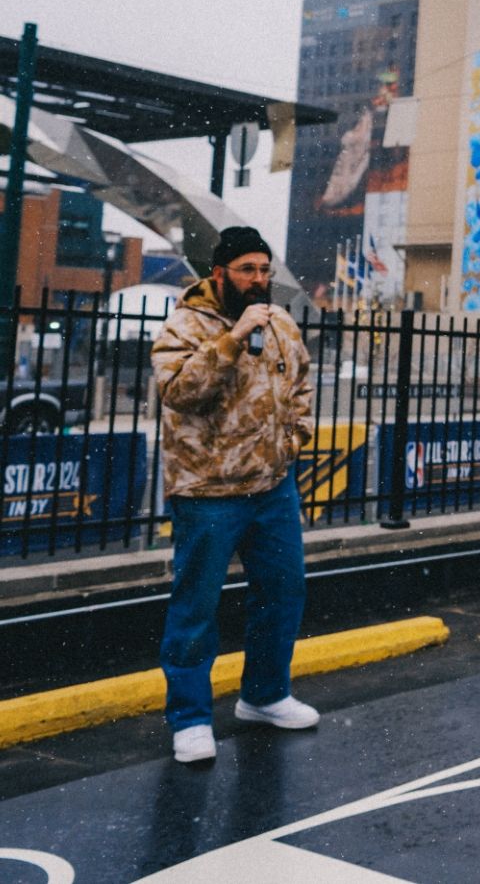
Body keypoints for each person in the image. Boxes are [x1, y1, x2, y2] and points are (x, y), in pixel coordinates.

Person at [151, 227, 318, 764]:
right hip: (208, 490)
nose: (259, 281)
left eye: (265, 271)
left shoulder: (281, 324)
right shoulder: (185, 324)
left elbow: (302, 386)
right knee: (197, 605)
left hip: (272, 486)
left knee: (283, 591)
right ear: (218, 272)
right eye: (248, 270)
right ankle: (191, 719)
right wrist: (231, 339)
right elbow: (179, 392)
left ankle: (264, 695)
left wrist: (293, 439)